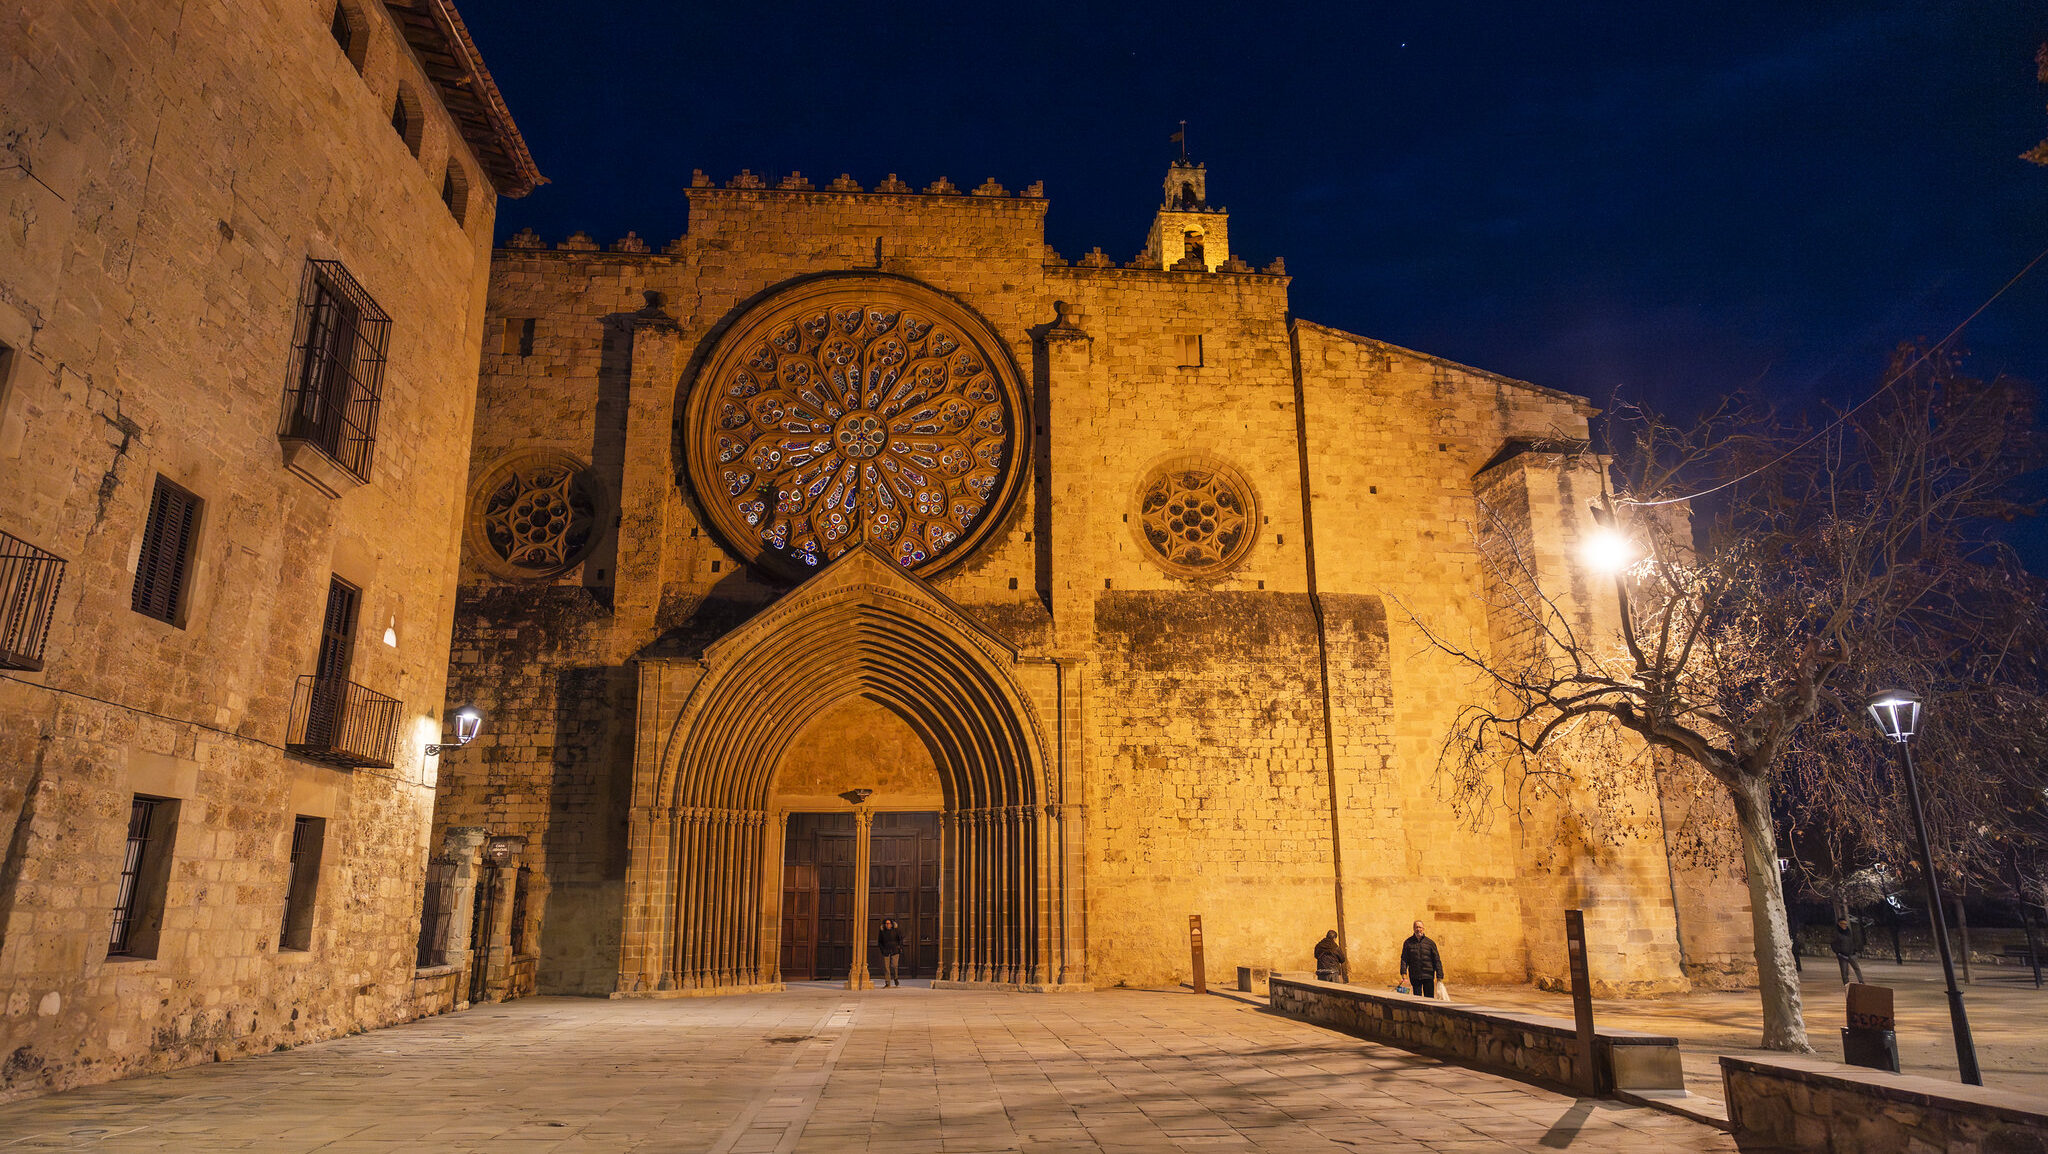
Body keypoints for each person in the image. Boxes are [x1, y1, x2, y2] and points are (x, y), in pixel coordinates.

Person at [1399, 920, 1443, 998]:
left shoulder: (1430, 943)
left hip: (1428, 976)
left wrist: (1439, 975)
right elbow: (1404, 959)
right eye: (1416, 927)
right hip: (1415, 976)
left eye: (1420, 927)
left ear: (1423, 929)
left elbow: (1436, 960)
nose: (1418, 929)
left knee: (1429, 999)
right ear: (1413, 929)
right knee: (1417, 999)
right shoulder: (1408, 943)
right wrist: (1403, 973)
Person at [1832, 916, 1866, 985]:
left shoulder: (1848, 931)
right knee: (1844, 971)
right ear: (1839, 924)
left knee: (1857, 968)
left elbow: (1853, 941)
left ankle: (1861, 982)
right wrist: (1838, 952)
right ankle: (1846, 984)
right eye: (1843, 924)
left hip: (1851, 954)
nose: (1845, 925)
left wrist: (1855, 949)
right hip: (1842, 955)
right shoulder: (1836, 933)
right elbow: (1833, 944)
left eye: (1845, 924)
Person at [877, 918, 904, 987]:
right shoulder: (882, 931)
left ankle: (895, 978)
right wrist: (882, 950)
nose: (887, 925)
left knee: (895, 966)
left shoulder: (896, 930)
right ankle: (887, 982)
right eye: (886, 923)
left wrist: (899, 947)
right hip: (886, 950)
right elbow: (880, 941)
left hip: (895, 950)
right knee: (886, 967)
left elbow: (900, 939)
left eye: (888, 923)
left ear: (891, 924)